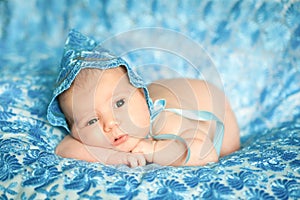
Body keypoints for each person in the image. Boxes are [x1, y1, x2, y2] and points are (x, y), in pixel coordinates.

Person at [47, 30, 240, 167]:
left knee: (228, 148)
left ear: (141, 95)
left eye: (119, 103)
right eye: (92, 120)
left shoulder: (164, 120)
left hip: (210, 99)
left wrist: (152, 149)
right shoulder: (89, 136)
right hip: (168, 88)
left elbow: (205, 153)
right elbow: (64, 148)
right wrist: (113, 157)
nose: (110, 124)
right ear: (74, 130)